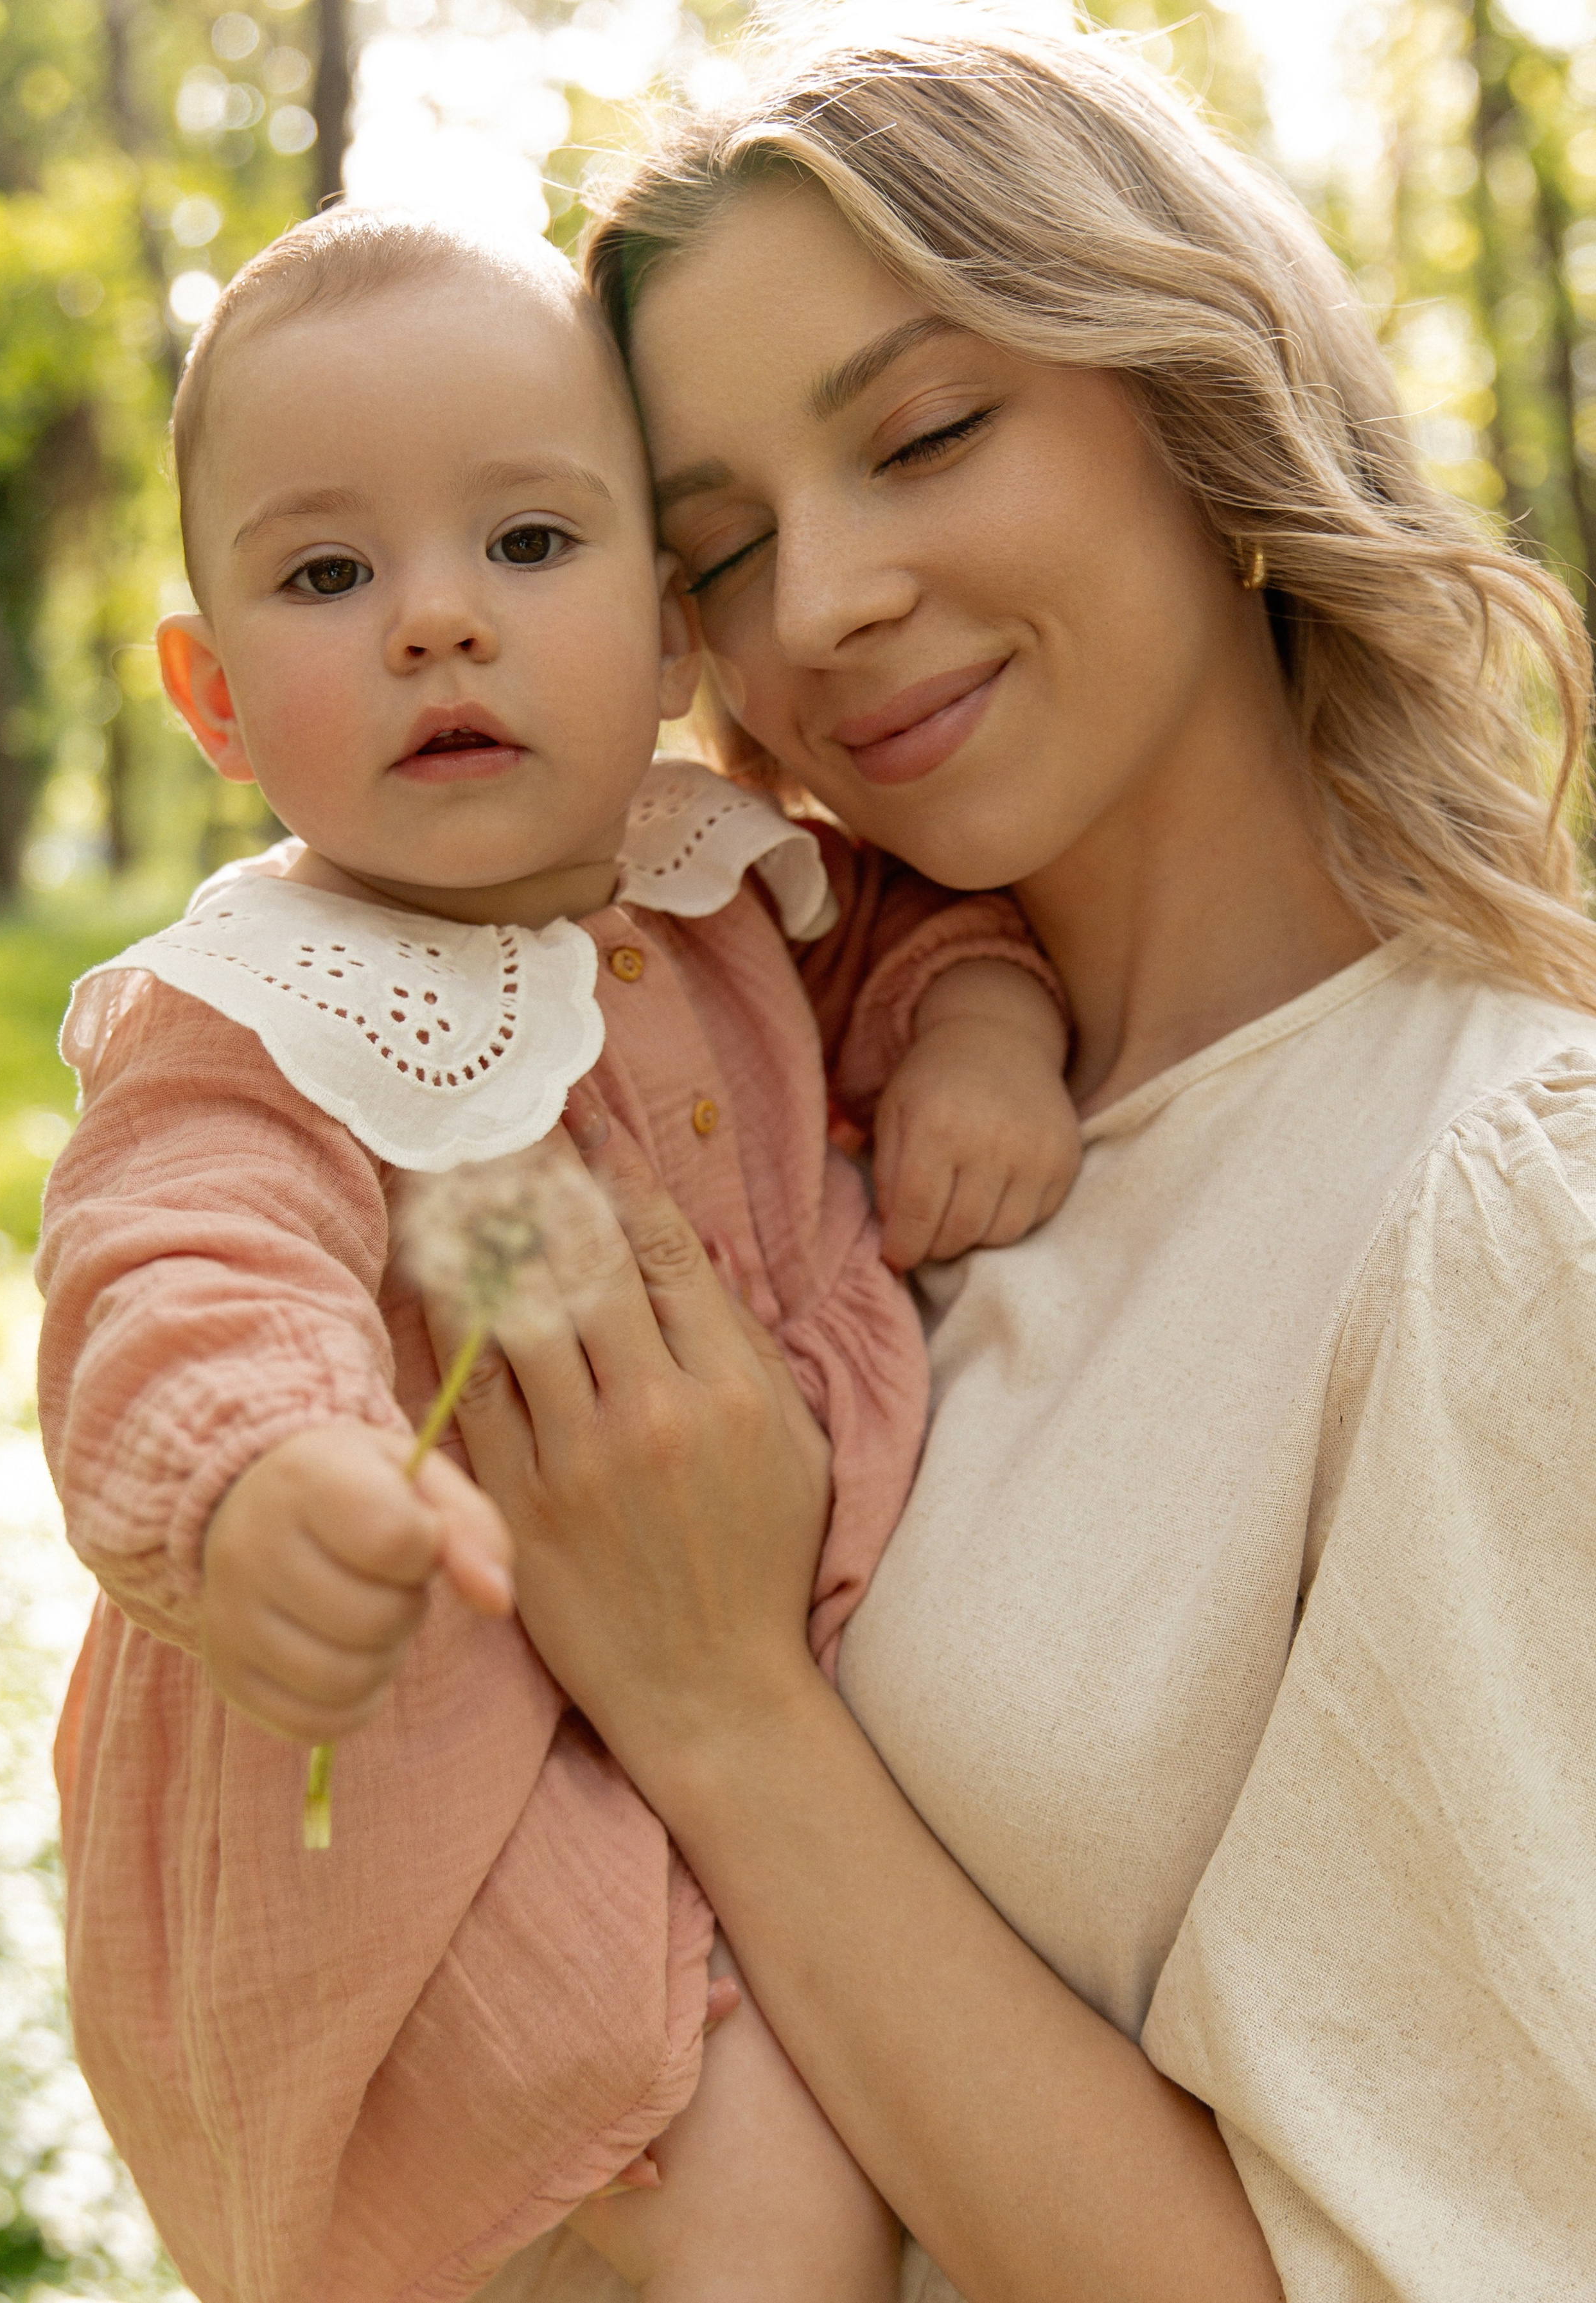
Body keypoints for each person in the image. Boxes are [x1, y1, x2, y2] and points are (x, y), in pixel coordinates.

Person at [455, 15, 1596, 2303]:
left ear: (1195, 393)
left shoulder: (1495, 1202)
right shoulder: (757, 1122)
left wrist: (725, 1713)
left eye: (929, 432)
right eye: (721, 551)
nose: (823, 607)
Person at [35, 207, 1081, 2303]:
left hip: (705, 1700)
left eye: (528, 544)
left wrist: (981, 1023)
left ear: (680, 629)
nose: (439, 623)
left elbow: (923, 935)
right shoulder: (263, 1004)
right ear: (216, 694)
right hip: (449, 1790)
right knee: (770, 2217)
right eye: (331, 574)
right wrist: (263, 1477)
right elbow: (172, 1260)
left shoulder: (740, 874)